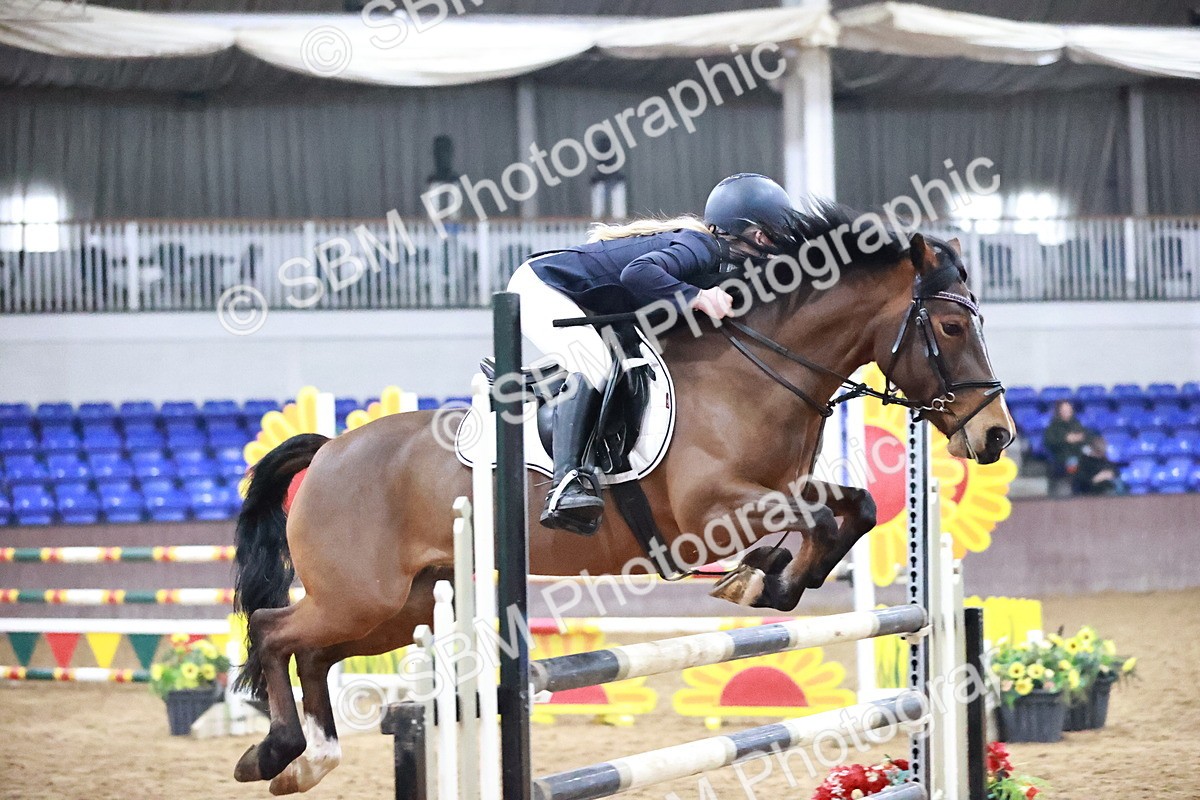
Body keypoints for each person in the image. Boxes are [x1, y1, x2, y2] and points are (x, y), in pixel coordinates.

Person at [507, 173, 795, 534]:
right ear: (755, 235)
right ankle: (567, 481)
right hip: (539, 287)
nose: (775, 248)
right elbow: (637, 273)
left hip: (579, 297)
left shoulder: (726, 259)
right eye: (772, 238)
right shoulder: (700, 247)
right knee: (596, 365)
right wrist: (698, 297)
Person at [1042, 400, 1120, 495]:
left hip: (1083, 458)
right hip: (1063, 460)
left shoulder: (1077, 425)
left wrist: (1080, 439)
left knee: (1100, 462)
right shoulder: (1053, 428)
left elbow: (1088, 438)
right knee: (1074, 465)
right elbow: (1049, 442)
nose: (1067, 412)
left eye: (1069, 410)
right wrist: (1065, 439)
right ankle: (1090, 483)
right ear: (1058, 412)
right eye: (1064, 410)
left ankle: (1102, 481)